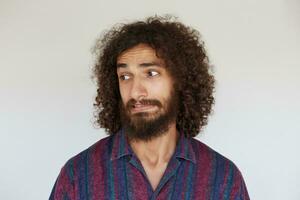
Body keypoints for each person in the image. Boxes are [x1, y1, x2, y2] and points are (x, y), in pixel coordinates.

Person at [49, 15, 250, 200]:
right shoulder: (78, 175)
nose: (136, 92)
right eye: (125, 77)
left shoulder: (222, 178)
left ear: (180, 81)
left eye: (151, 73)